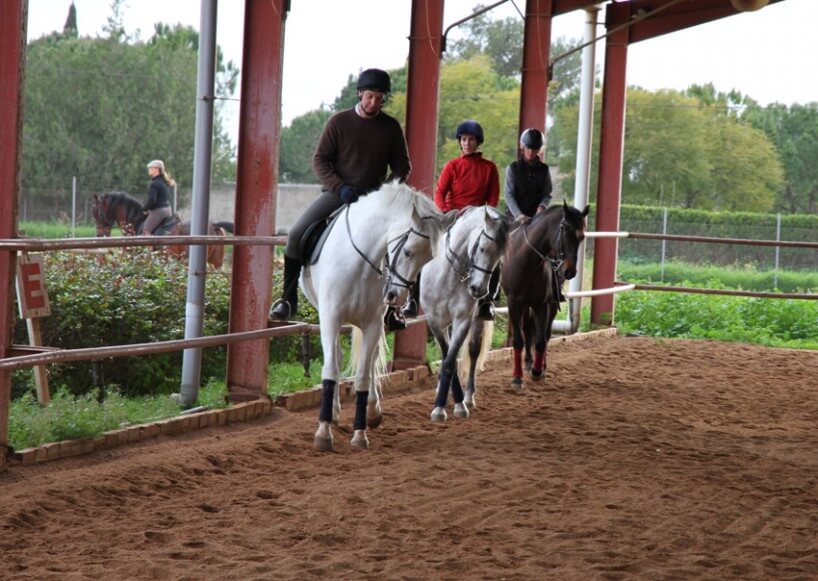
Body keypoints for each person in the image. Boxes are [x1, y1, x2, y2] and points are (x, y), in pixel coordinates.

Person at [269, 68, 412, 331]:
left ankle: (394, 308)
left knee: (405, 240)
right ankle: (287, 299)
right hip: (338, 194)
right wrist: (340, 187)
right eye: (369, 96)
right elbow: (320, 160)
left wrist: (385, 191)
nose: (373, 102)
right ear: (360, 94)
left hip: (375, 201)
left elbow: (403, 167)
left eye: (379, 98)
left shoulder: (391, 127)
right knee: (296, 234)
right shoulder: (339, 122)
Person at [404, 119, 500, 320]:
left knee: (494, 252)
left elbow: (492, 198)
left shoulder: (489, 168)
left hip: (476, 221)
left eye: (471, 140)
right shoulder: (452, 166)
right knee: (425, 247)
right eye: (463, 139)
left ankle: (487, 301)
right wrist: (448, 212)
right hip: (453, 217)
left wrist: (481, 216)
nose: (467, 143)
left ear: (478, 142)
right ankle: (412, 299)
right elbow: (440, 193)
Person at [504, 128, 552, 224]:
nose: (531, 152)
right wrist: (518, 214)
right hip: (513, 217)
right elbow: (509, 195)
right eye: (528, 148)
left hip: (536, 219)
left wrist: (542, 206)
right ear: (522, 147)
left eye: (535, 149)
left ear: (539, 150)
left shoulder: (544, 170)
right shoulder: (512, 168)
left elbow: (547, 193)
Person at [143, 159, 174, 235]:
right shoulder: (164, 181)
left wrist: (145, 209)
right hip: (167, 210)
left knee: (146, 230)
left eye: (151, 167)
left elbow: (152, 200)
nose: (149, 169)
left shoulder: (154, 183)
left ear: (157, 169)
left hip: (159, 211)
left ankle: (149, 243)